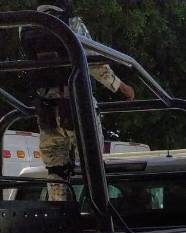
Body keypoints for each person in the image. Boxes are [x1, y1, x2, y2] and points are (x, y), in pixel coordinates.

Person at [23, 0, 135, 200]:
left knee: (55, 166)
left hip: (46, 108)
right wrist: (120, 86)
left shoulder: (26, 25)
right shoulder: (71, 23)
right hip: (76, 105)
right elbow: (93, 60)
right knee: (92, 162)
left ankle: (59, 210)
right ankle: (98, 210)